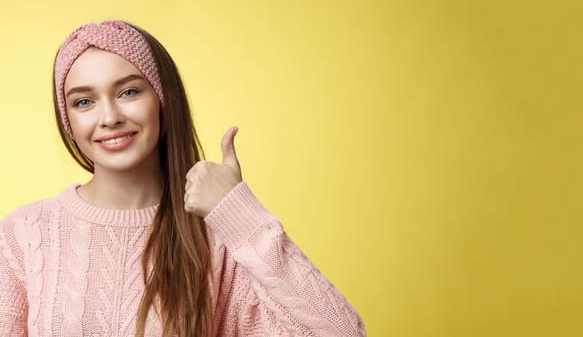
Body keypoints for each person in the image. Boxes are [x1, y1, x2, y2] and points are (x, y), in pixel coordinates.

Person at [0, 20, 366, 336]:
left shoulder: (217, 238)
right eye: (84, 101)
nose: (109, 116)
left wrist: (241, 215)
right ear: (69, 120)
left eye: (128, 91)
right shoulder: (24, 235)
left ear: (162, 99)